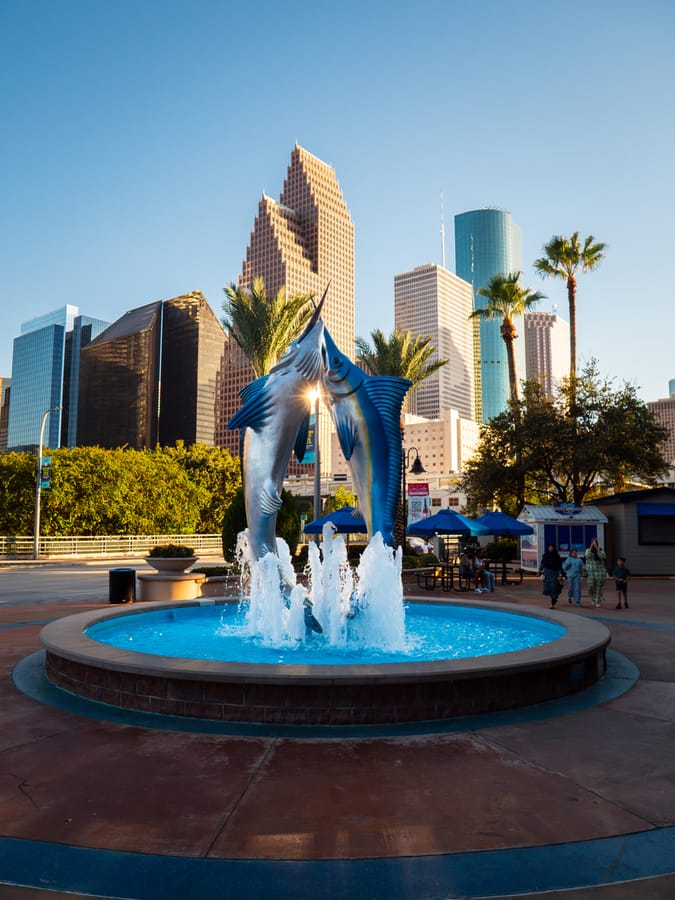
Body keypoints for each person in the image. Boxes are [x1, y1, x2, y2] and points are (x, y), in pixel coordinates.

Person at [584, 538, 608, 608]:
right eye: (593, 543)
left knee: (598, 588)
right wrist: (592, 546)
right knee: (590, 586)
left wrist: (597, 548)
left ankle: (598, 601)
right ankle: (592, 599)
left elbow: (601, 556)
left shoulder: (601, 551)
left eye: (595, 543)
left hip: (600, 572)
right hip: (591, 572)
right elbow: (587, 555)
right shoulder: (588, 550)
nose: (594, 544)